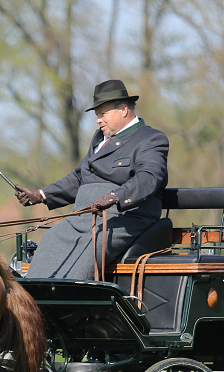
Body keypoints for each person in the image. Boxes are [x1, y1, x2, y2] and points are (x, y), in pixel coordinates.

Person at [15, 79, 169, 280]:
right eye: (97, 115)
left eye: (102, 114)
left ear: (123, 109)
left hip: (124, 217)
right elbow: (80, 176)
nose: (98, 120)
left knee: (92, 244)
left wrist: (115, 196)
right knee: (51, 238)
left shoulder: (150, 139)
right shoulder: (99, 140)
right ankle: (36, 297)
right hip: (84, 216)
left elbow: (148, 178)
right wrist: (41, 195)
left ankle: (68, 298)